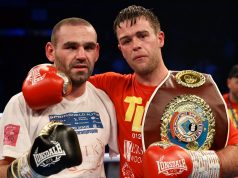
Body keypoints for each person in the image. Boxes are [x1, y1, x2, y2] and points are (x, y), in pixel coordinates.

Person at [12, 5, 238, 178]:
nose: (136, 45)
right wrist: (37, 75)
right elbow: (70, 73)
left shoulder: (195, 90)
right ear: (120, 49)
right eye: (126, 40)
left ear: (160, 38)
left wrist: (192, 164)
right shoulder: (111, 86)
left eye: (143, 35)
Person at [0, 17, 118, 178]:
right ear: (50, 51)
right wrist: (32, 165)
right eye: (71, 47)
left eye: (88, 47)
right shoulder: (21, 104)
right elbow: (3, 171)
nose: (81, 55)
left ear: (97, 52)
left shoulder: (104, 100)